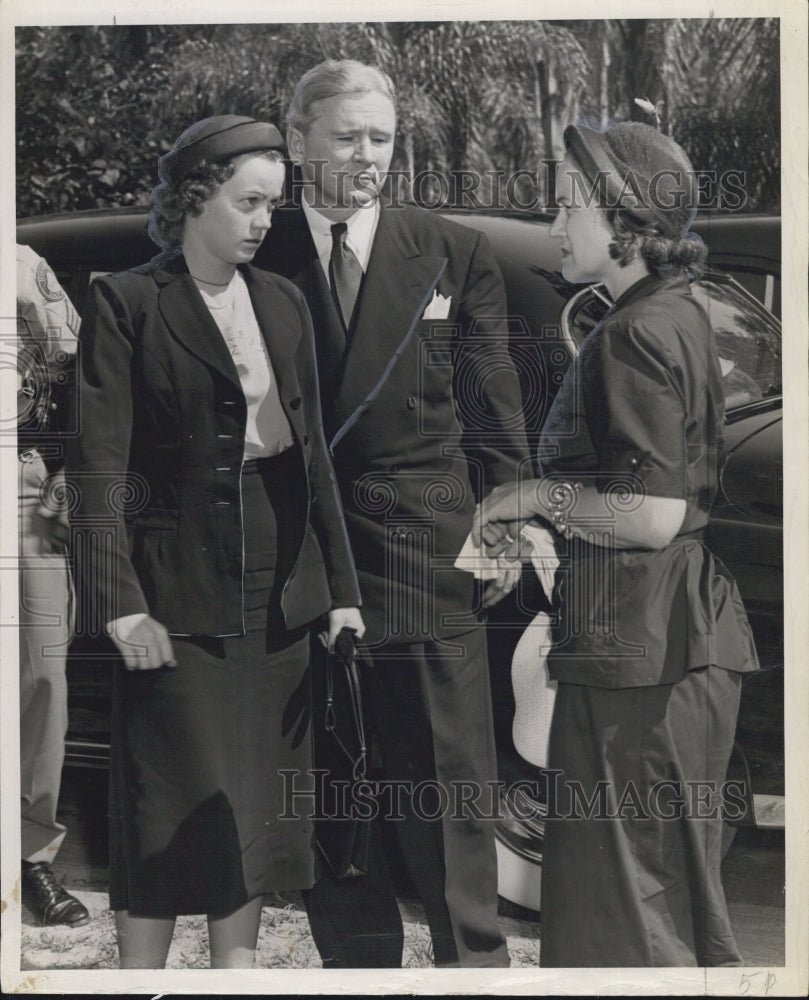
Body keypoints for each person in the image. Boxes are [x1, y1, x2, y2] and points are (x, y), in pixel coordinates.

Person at [65, 115, 363, 969]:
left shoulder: (282, 301)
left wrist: (338, 591)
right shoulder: (127, 302)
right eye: (248, 202)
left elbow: (313, 463)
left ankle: (235, 978)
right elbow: (96, 469)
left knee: (256, 808)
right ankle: (140, 979)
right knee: (165, 806)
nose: (265, 220)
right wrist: (120, 606)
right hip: (173, 592)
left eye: (274, 203)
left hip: (281, 592)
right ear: (195, 197)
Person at [254, 59, 530, 969]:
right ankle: (356, 969)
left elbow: (493, 411)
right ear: (297, 142)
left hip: (426, 554)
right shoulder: (256, 245)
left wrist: (504, 526)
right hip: (296, 561)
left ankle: (474, 968)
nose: (369, 158)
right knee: (332, 791)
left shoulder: (451, 250)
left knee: (448, 787)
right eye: (347, 137)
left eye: (382, 138)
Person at [473, 122, 760, 967]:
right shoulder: (672, 314)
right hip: (663, 635)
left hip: (641, 650)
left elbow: (648, 514)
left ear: (624, 220)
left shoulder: (634, 332)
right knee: (659, 902)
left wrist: (527, 494)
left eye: (567, 206)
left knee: (625, 918)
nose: (556, 224)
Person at [17, 244, 89, 928]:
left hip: (18, 482)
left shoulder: (21, 265)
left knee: (42, 674)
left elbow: (75, 367)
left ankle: (28, 857)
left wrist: (66, 467)